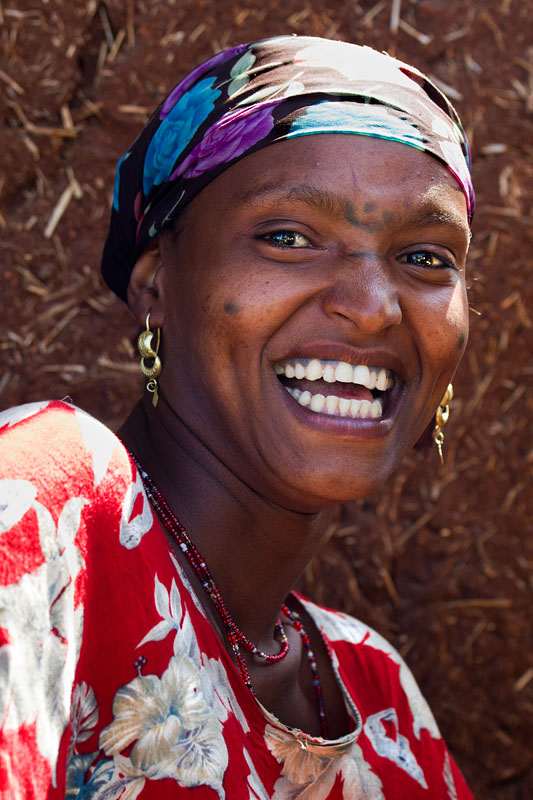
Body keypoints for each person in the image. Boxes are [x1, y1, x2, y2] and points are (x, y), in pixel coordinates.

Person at [0, 35, 475, 799]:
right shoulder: (48, 517)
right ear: (155, 285)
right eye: (287, 237)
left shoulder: (379, 701)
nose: (372, 307)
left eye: (425, 257)